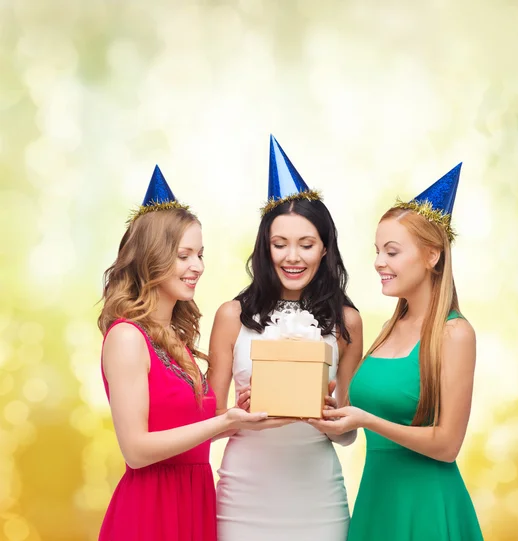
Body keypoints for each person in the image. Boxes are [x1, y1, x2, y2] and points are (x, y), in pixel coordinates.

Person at [311, 164, 484, 540]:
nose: (378, 263)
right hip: (378, 499)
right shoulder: (390, 328)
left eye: (391, 252)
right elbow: (363, 408)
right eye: (377, 251)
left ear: (432, 256)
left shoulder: (454, 334)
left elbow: (447, 445)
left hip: (426, 507)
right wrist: (326, 408)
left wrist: (365, 420)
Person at [98, 166, 266, 541]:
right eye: (184, 255)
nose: (198, 267)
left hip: (194, 501)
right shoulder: (127, 338)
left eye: (200, 254)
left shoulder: (177, 342)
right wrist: (223, 423)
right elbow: (136, 450)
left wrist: (239, 418)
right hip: (149, 512)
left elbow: (188, 437)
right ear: (150, 258)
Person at [208, 136, 363, 541]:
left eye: (306, 245)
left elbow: (348, 433)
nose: (292, 257)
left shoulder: (347, 321)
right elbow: (207, 421)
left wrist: (329, 416)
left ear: (325, 250)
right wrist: (236, 416)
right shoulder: (232, 316)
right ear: (265, 248)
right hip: (243, 495)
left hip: (318, 497)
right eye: (280, 244)